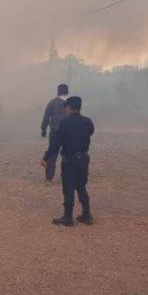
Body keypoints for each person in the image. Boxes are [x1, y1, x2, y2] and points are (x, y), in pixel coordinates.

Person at [40, 96, 95, 226]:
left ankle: (68, 217)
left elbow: (56, 143)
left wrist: (46, 157)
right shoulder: (88, 122)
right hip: (83, 158)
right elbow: (90, 132)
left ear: (68, 107)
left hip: (69, 160)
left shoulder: (65, 123)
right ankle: (87, 215)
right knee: (81, 186)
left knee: (68, 187)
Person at [40, 84, 69, 185]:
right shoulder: (71, 103)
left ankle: (49, 178)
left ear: (58, 91)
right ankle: (67, 177)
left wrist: (43, 129)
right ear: (67, 92)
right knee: (68, 155)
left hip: (55, 132)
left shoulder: (52, 103)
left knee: (52, 154)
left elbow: (46, 118)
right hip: (68, 133)